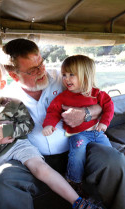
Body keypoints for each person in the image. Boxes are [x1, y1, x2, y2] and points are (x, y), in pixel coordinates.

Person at [0, 38, 125, 209]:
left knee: (114, 159)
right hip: (32, 159)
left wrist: (86, 113)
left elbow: (103, 102)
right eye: (33, 70)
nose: (41, 71)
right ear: (14, 75)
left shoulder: (63, 78)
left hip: (77, 145)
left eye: (41, 64)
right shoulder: (7, 98)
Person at [0, 61, 104, 209]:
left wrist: (9, 130)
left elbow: (28, 125)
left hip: (19, 146)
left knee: (41, 168)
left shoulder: (12, 104)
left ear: (1, 84)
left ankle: (79, 202)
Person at [42, 55, 114, 184]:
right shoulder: (63, 97)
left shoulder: (96, 94)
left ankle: (107, 178)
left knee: (110, 153)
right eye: (64, 75)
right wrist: (49, 125)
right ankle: (74, 180)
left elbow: (109, 106)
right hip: (78, 134)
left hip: (97, 132)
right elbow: (53, 111)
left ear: (85, 76)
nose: (66, 79)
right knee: (77, 153)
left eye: (71, 75)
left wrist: (104, 122)